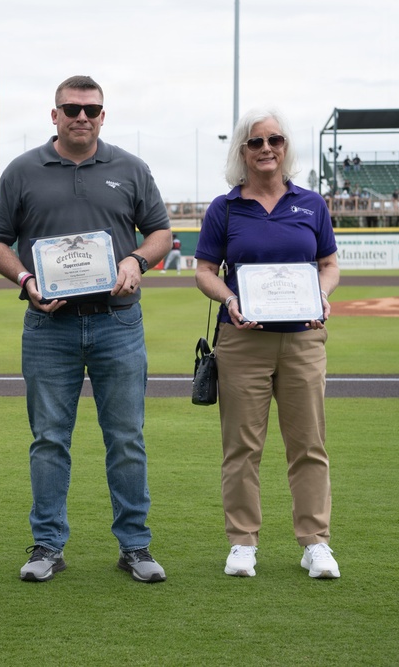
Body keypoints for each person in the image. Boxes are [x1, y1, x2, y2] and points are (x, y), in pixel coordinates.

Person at [0, 75, 172, 584]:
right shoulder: (23, 171)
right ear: (55, 114)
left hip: (118, 322)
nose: (81, 117)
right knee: (48, 439)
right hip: (49, 325)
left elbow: (161, 232)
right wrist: (24, 279)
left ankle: (135, 546)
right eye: (71, 108)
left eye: (91, 109)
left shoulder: (131, 168)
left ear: (103, 115)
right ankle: (47, 545)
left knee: (127, 438)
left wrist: (135, 260)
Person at [194, 108, 341, 579]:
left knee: (309, 446)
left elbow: (329, 265)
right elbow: (203, 272)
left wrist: (322, 292)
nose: (266, 149)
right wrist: (230, 297)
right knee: (241, 447)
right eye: (256, 142)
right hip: (243, 341)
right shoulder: (225, 208)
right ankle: (242, 542)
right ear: (243, 151)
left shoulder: (311, 204)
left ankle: (315, 543)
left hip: (303, 340)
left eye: (274, 140)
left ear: (285, 147)